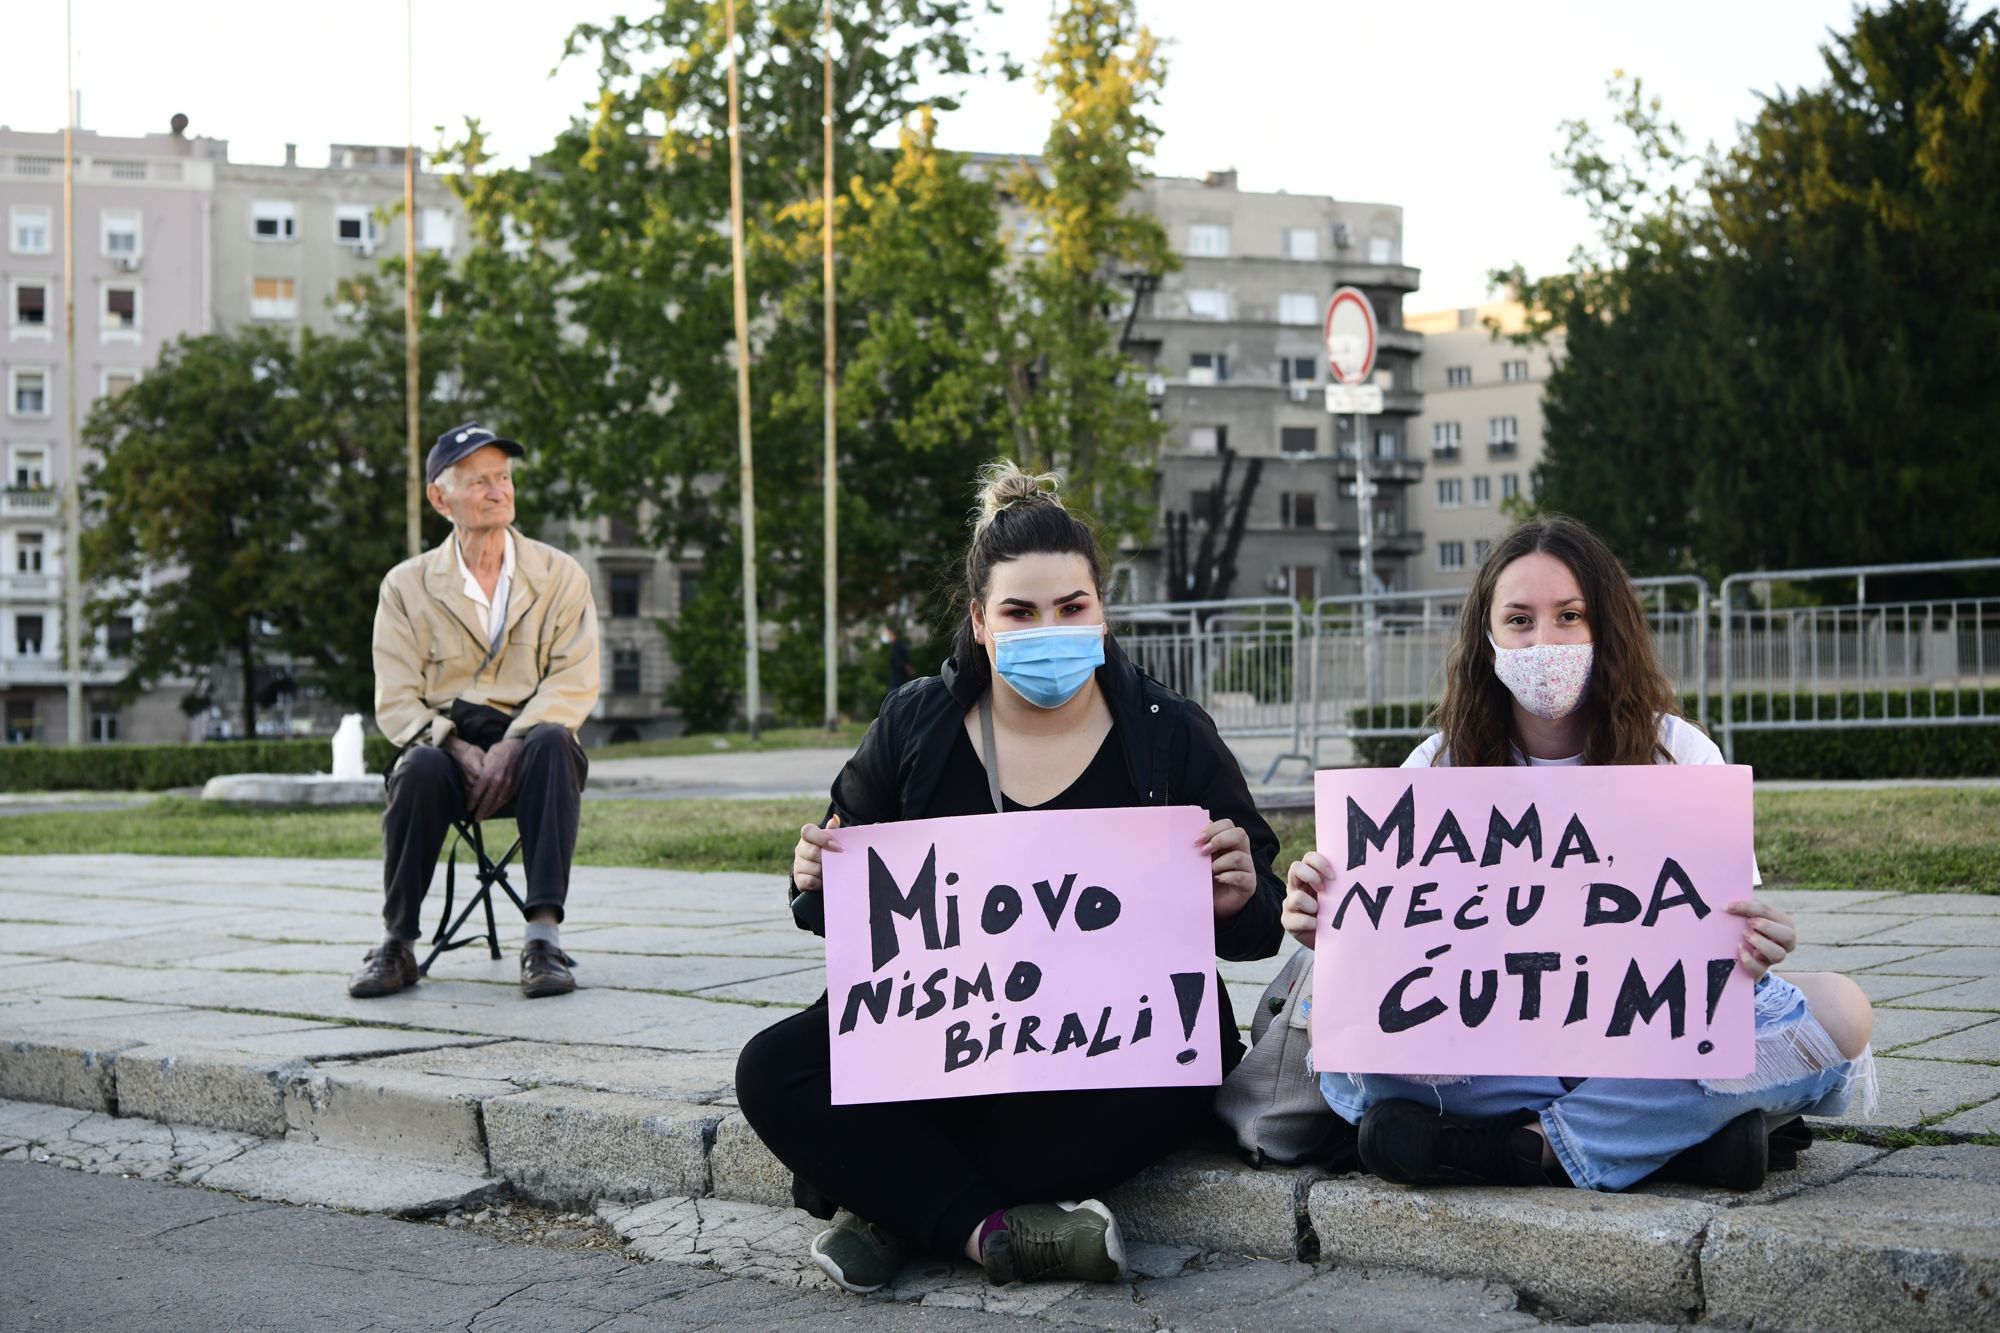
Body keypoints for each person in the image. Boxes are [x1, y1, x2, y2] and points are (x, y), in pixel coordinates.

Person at [734, 462, 1284, 1294]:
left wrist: (1238, 898)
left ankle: (887, 1204)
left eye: (1072, 607)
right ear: (980, 622)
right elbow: (836, 896)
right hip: (950, 1031)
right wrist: (814, 875)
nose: (1048, 629)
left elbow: (1262, 923)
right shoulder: (918, 721)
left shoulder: (1169, 734)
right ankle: (993, 1230)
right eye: (1019, 612)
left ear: (1102, 611)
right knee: (772, 1071)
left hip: (1103, 1049)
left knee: (1194, 1058)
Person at [1281, 515, 1876, 1192]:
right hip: (1498, 1050)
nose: (1545, 642)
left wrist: (1760, 940)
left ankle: (1522, 1148)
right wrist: (1331, 923)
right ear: (1488, 636)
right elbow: (1393, 954)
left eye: (1569, 616)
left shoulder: (1679, 753)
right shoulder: (1438, 765)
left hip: (1643, 1046)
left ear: (1607, 627)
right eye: (1520, 620)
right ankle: (1664, 1140)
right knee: (1341, 1045)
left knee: (1840, 1011)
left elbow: (1715, 942)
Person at [352, 423, 601, 1001]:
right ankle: (398, 943)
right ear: (441, 499)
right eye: (480, 482)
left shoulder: (560, 575)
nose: (498, 492)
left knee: (552, 743)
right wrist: (454, 745)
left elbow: (574, 679)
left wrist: (511, 743)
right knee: (417, 768)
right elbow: (394, 698)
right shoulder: (405, 586)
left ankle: (543, 940)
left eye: (505, 478)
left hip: (533, 756)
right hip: (446, 755)